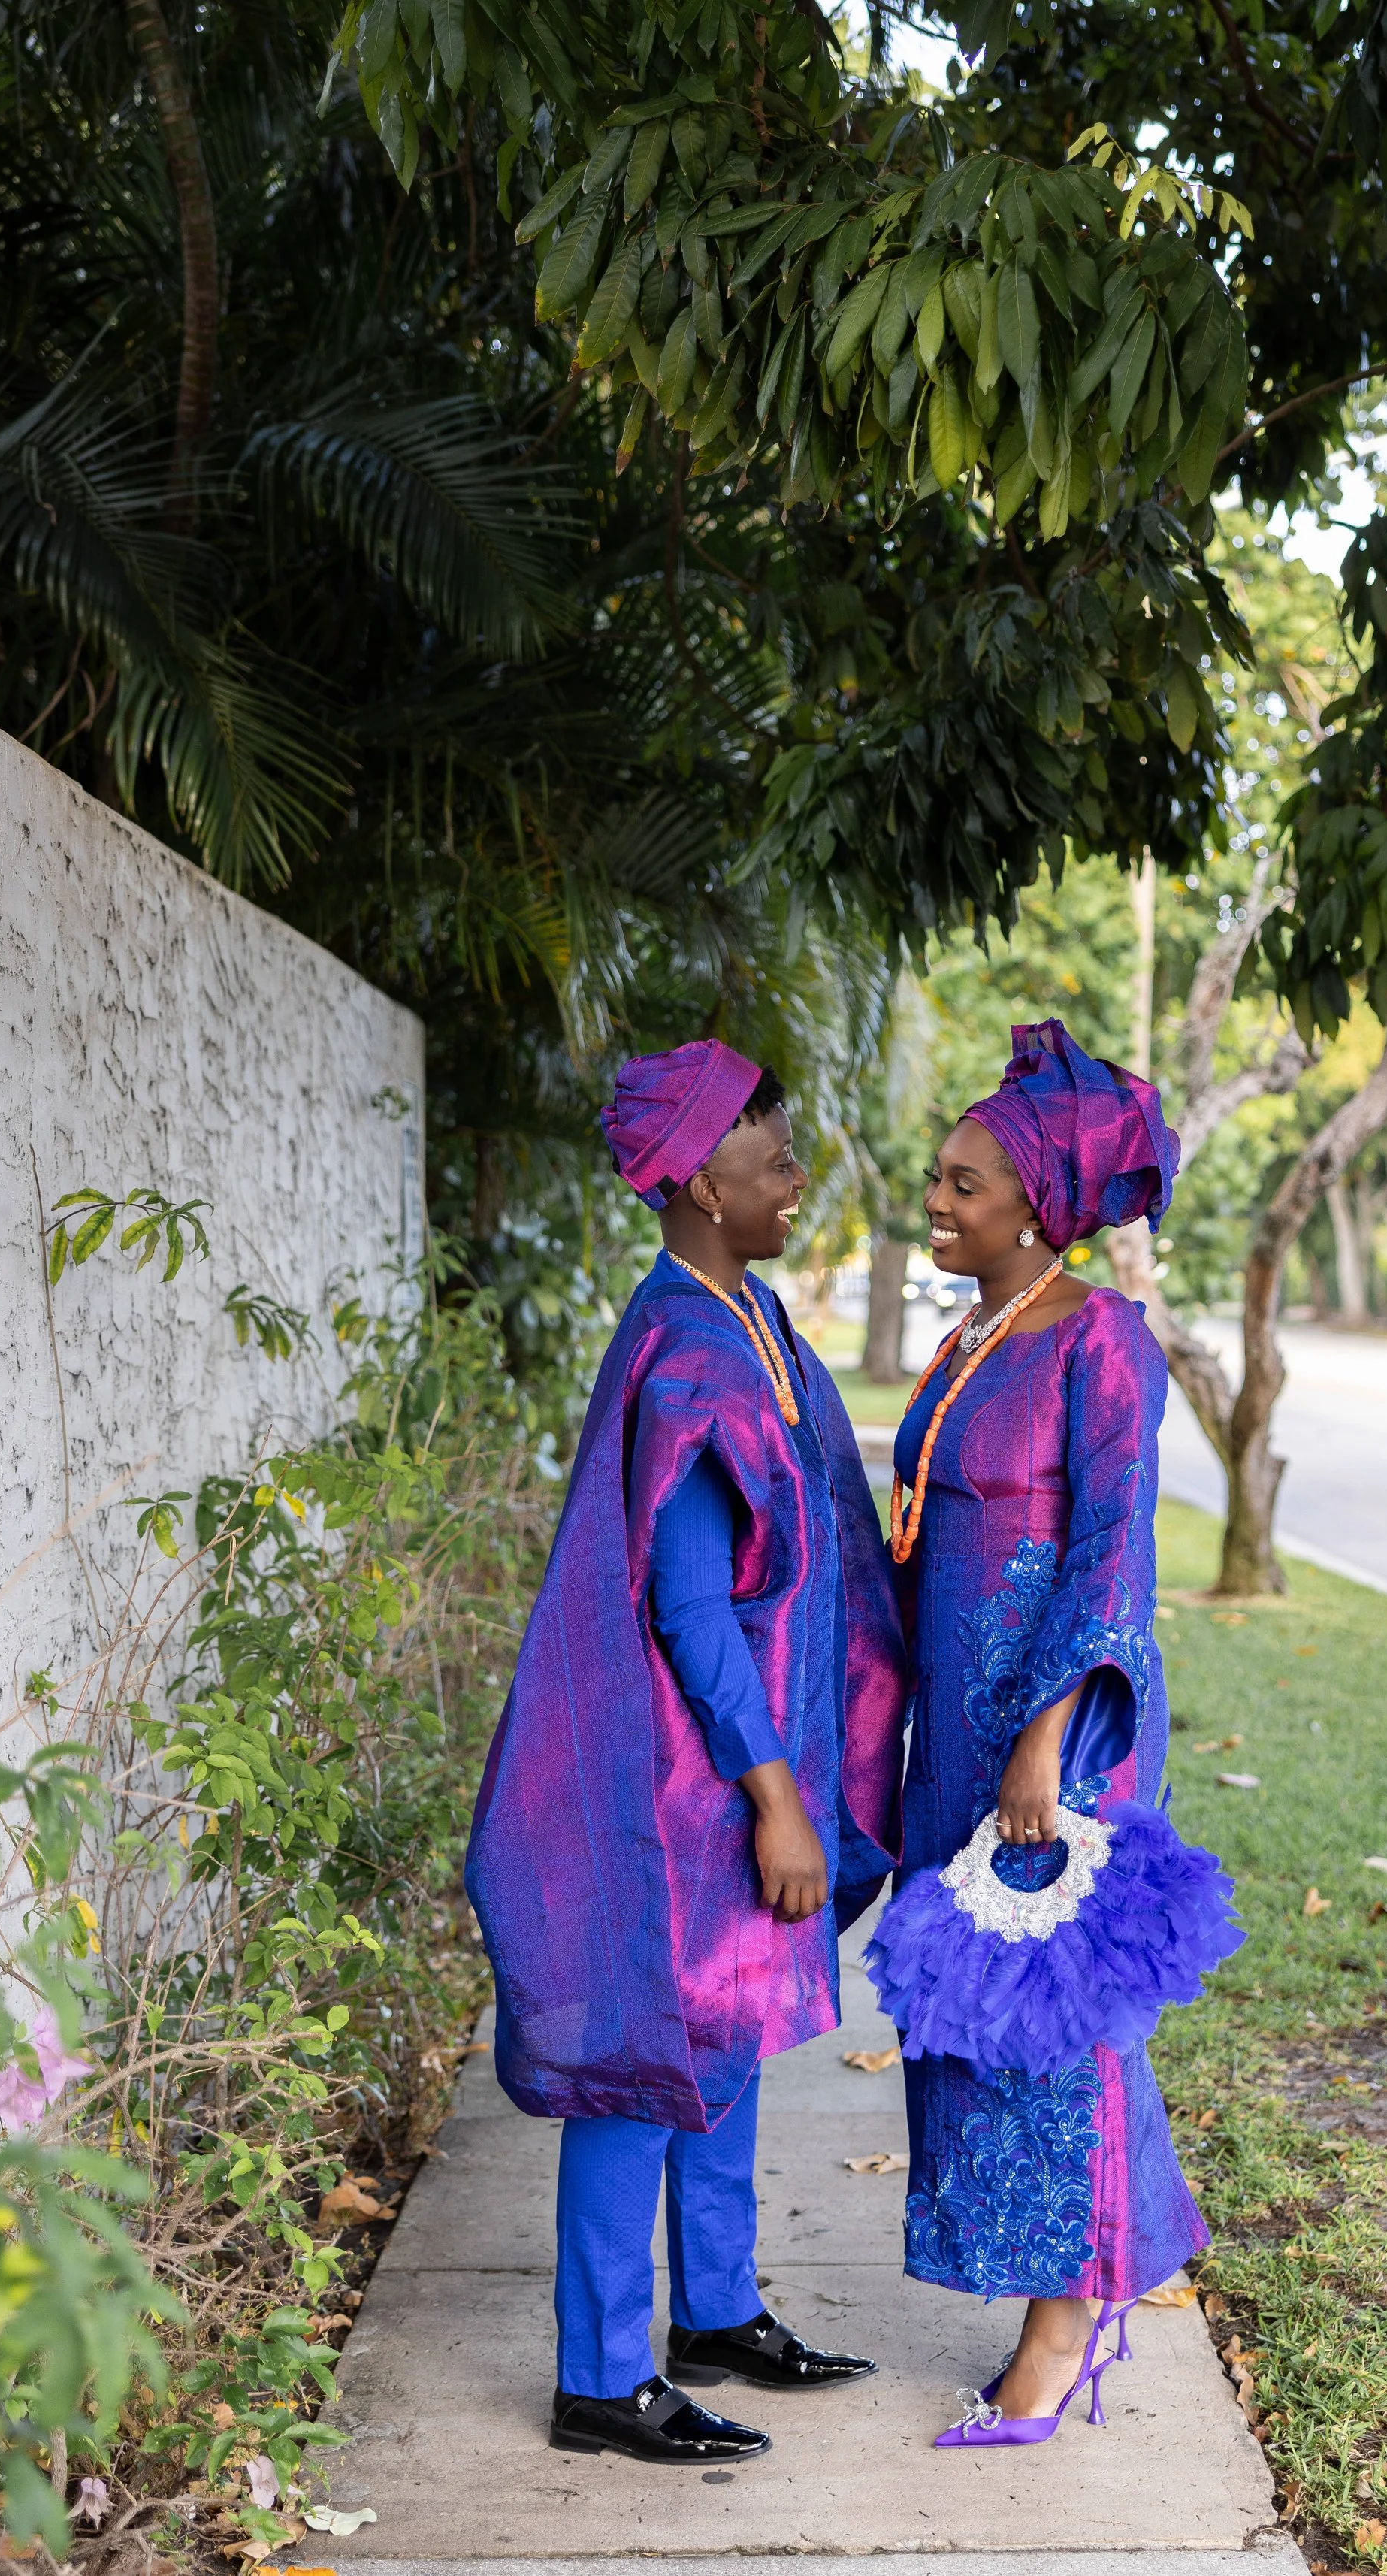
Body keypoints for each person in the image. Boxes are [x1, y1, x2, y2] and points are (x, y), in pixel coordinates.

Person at [465, 1041, 907, 2468]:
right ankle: (600, 2376)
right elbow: (687, 1598)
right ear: (708, 1187)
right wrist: (778, 1795)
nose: (795, 1182)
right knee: (646, 2057)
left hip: (742, 1749)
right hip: (694, 1767)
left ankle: (714, 2308)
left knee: (732, 2028)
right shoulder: (692, 1350)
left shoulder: (750, 1311)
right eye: (774, 1164)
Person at [887, 1017, 1211, 2448]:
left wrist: (1045, 1738)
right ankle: (1049, 2288)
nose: (940, 1203)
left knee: (1054, 2028)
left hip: (1044, 1732)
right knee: (969, 2023)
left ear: (1036, 1204)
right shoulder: (972, 1338)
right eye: (942, 1181)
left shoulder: (1103, 1344)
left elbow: (1111, 1555)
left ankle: (1064, 2329)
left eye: (963, 1184)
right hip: (951, 1736)